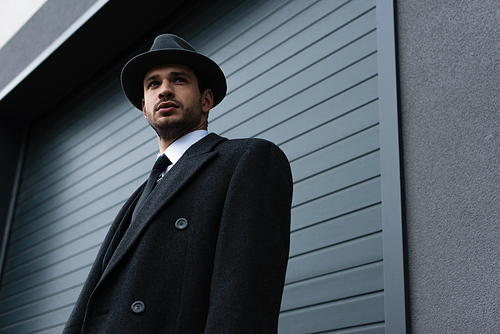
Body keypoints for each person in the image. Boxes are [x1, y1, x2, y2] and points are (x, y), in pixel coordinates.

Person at [63, 34, 293, 333]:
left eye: (179, 80)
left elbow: (245, 297)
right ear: (144, 108)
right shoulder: (137, 197)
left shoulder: (247, 159)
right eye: (153, 84)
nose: (165, 90)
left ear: (206, 100)